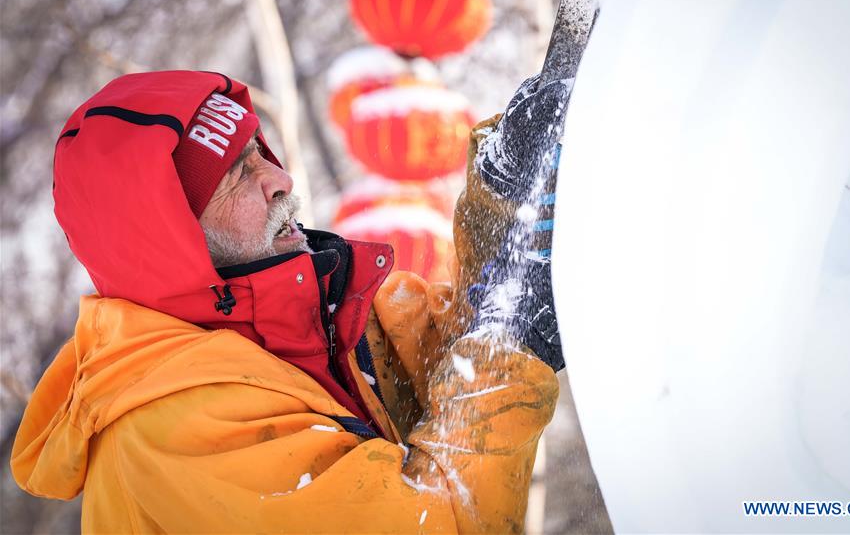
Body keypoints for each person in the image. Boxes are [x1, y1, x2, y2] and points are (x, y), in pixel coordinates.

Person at [11, 70, 568, 533]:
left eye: (259, 152)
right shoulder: (175, 426)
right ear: (168, 243)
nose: (279, 178)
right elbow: (432, 518)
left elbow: (444, 375)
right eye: (236, 175)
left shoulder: (307, 321)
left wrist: (502, 198)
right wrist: (505, 349)